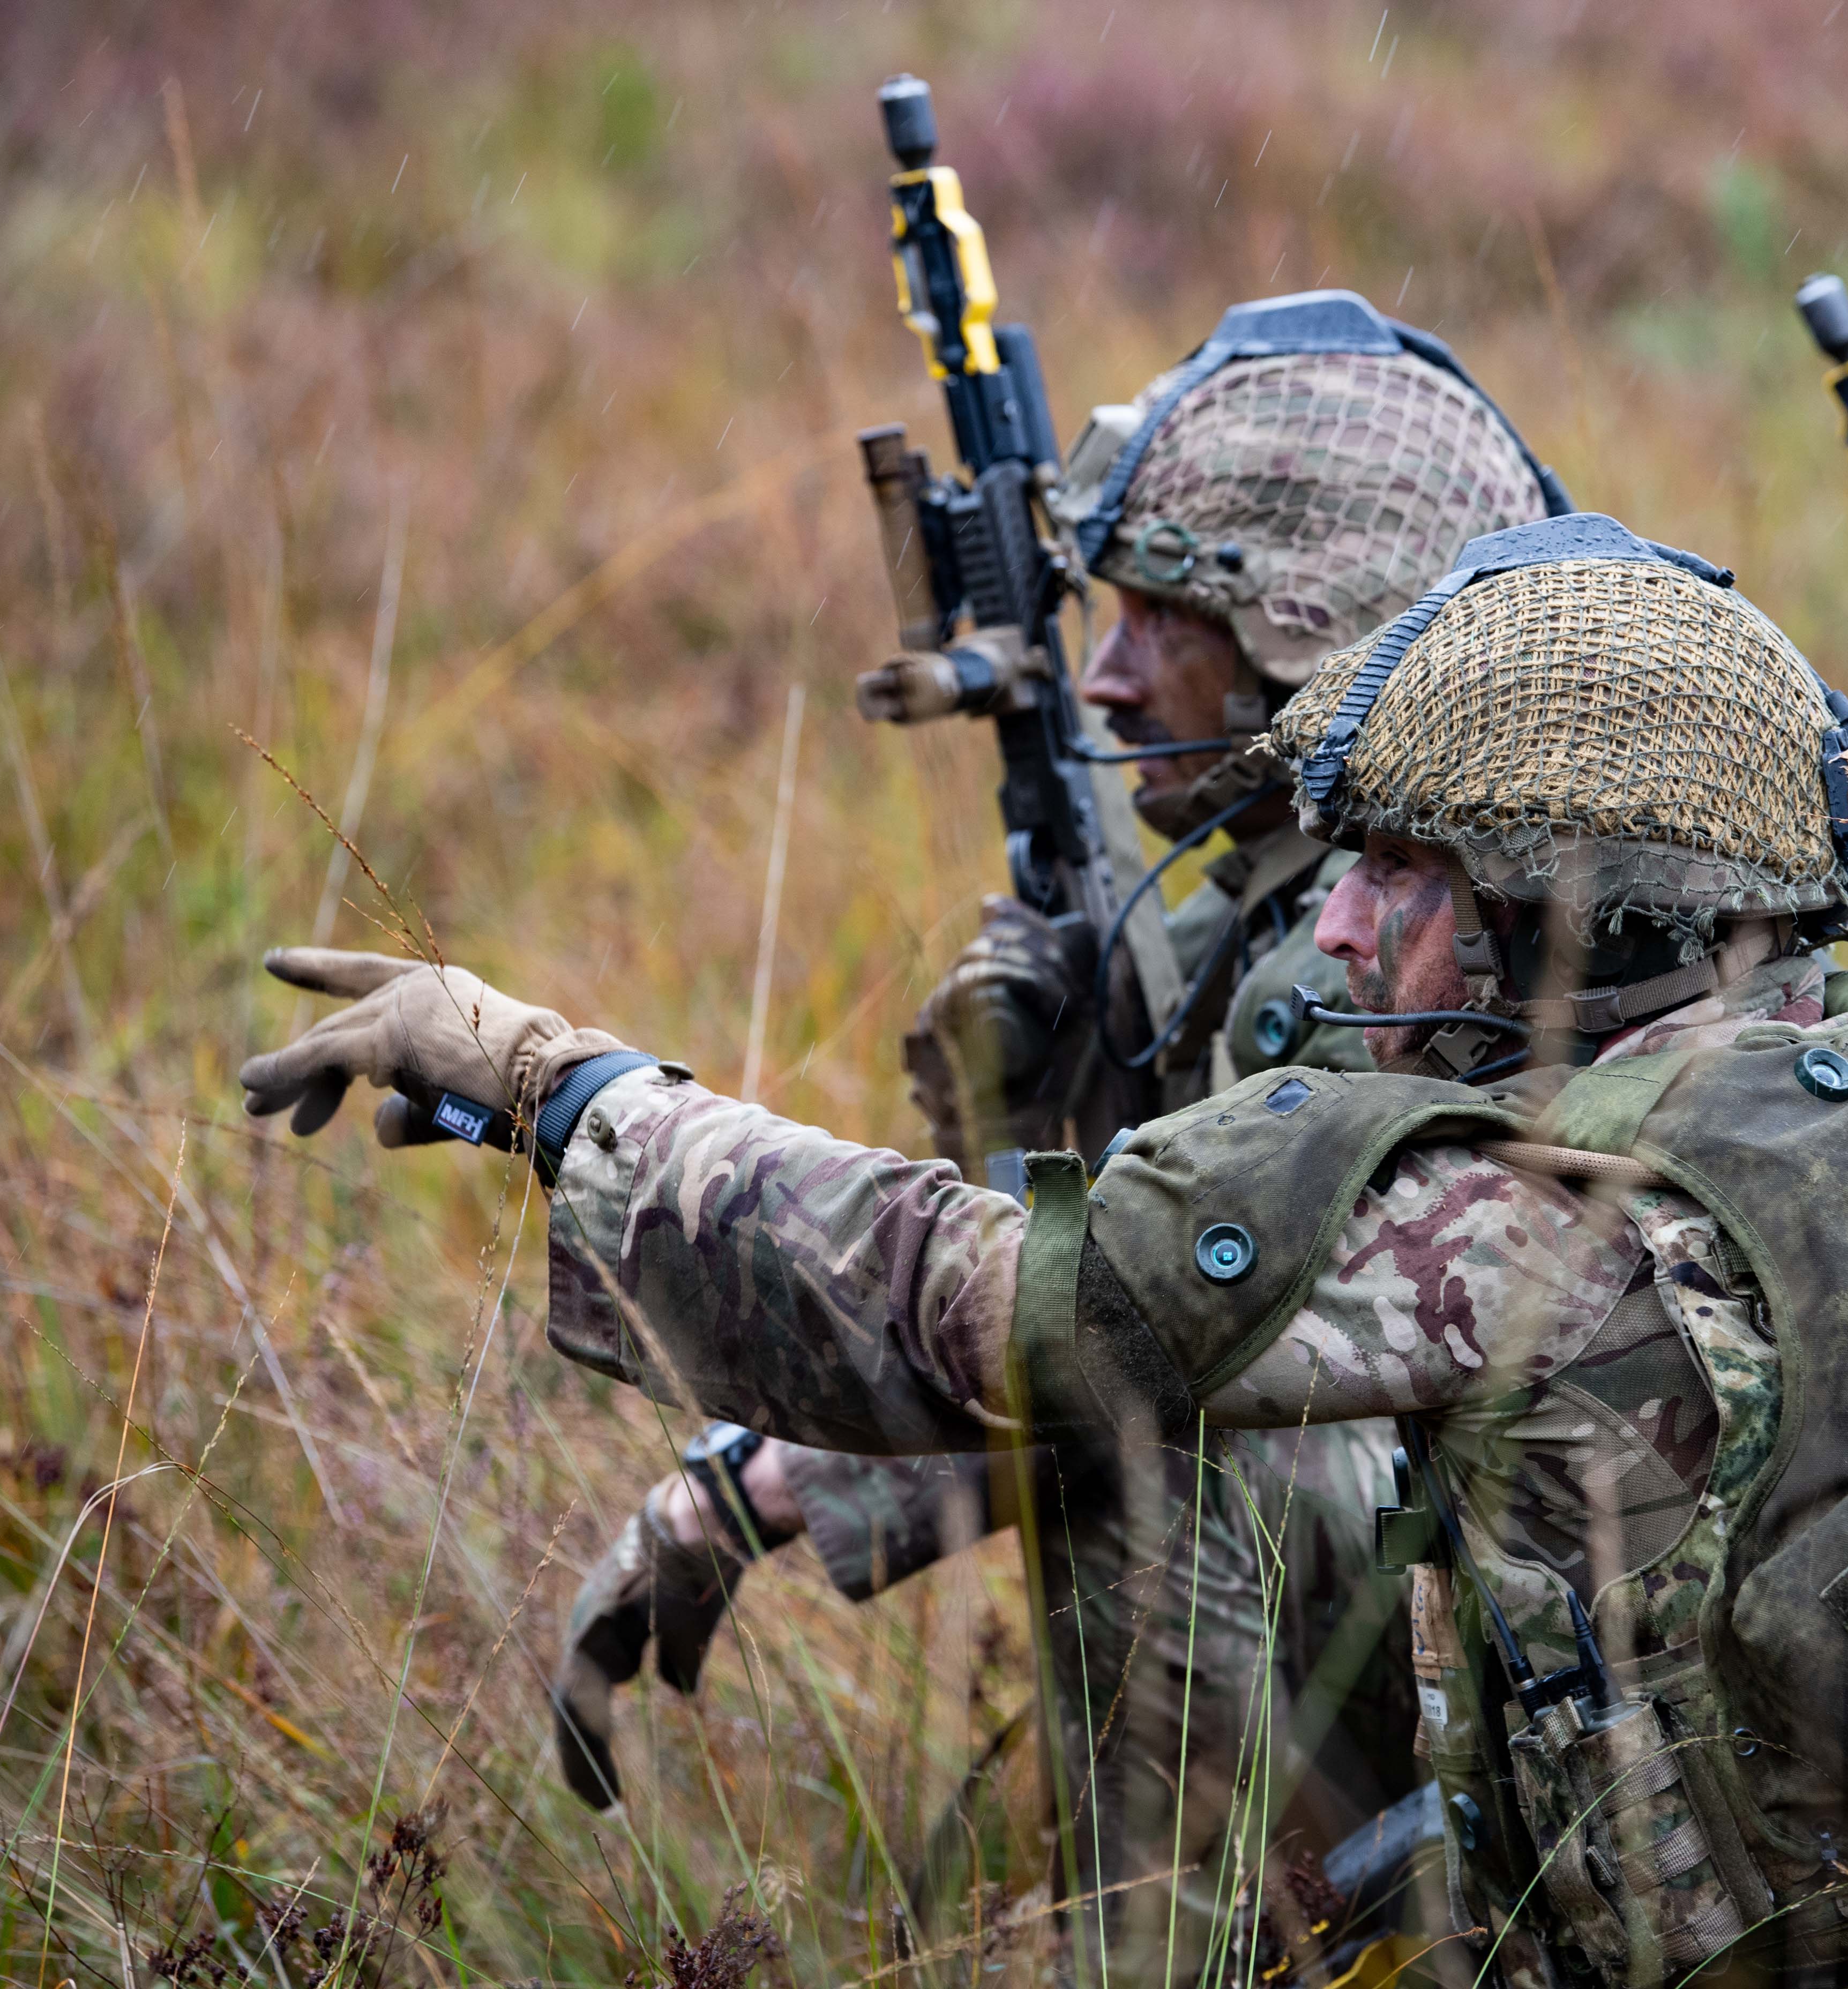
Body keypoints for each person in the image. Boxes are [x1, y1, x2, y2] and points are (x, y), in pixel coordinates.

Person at [247, 513, 1848, 1985]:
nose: (1337, 917)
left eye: (1398, 866)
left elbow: (966, 1308)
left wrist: (567, 1086)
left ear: (1578, 903)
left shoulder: (1514, 1209)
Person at [538, 289, 1565, 1984]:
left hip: (1582, 1698)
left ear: (1321, 636)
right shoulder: (1383, 888)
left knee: (1162, 1447)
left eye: (1166, 617)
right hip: (1588, 1660)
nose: (1104, 671)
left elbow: (1138, 1342)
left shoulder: (1386, 957)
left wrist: (759, 1486)